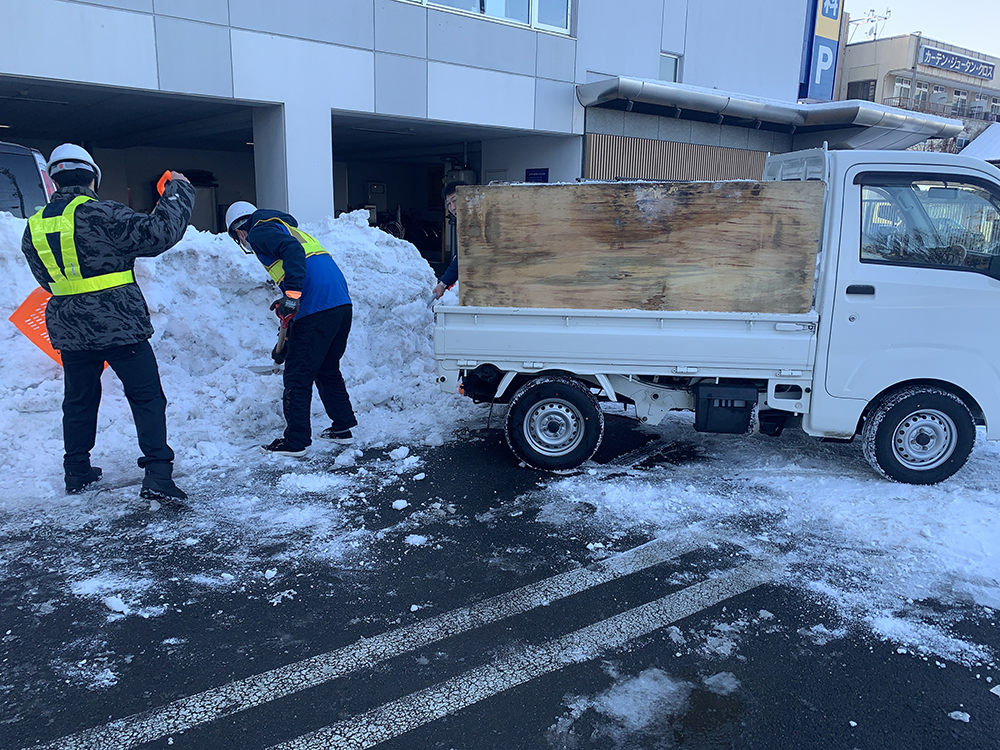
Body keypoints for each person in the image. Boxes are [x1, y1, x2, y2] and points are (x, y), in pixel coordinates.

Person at [20, 144, 195, 501]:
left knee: (79, 399)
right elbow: (160, 233)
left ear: (54, 180)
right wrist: (178, 190)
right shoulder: (101, 214)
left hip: (70, 327)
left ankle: (77, 470)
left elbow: (44, 277)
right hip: (120, 324)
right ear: (93, 177)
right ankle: (158, 475)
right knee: (146, 397)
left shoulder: (33, 227)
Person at [225, 201, 357, 457]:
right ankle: (342, 427)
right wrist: (287, 296)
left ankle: (296, 441)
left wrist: (293, 294)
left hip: (317, 306)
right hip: (339, 303)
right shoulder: (282, 226)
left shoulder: (259, 230)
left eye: (239, 237)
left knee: (297, 375)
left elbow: (292, 251)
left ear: (239, 231)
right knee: (327, 367)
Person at [432, 180, 470, 300]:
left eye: (455, 200)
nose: (452, 208)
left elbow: (463, 258)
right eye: (448, 203)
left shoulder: (479, 223)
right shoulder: (464, 224)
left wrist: (443, 283)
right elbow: (462, 257)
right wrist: (443, 284)